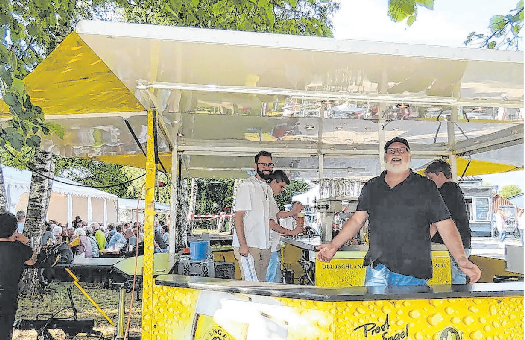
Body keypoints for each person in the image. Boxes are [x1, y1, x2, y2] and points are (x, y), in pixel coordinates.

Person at [316, 137, 481, 286]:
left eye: (402, 150)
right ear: (385, 157)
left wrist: (461, 259)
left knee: (406, 318)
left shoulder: (425, 186)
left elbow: (444, 223)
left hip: (412, 271)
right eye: (391, 151)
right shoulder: (372, 186)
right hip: (377, 269)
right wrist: (333, 245)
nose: (396, 153)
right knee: (375, 317)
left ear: (409, 157)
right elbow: (357, 220)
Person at [425, 159, 472, 284]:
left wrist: (423, 240)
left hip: (451, 245)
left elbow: (437, 220)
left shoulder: (445, 190)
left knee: (449, 282)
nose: (429, 182)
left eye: (431, 178)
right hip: (463, 243)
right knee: (458, 280)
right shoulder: (455, 190)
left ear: (440, 174)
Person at [233, 150, 274, 281]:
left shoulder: (267, 188)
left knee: (261, 284)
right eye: (263, 165)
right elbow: (238, 216)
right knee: (251, 285)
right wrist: (243, 245)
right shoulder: (247, 185)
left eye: (270, 165)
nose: (267, 168)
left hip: (264, 245)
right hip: (250, 245)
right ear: (255, 166)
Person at [0, 212, 37, 339]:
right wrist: (27, 241)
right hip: (7, 294)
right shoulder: (19, 248)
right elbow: (33, 260)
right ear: (14, 230)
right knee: (5, 329)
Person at [266, 170, 304, 282]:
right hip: (267, 245)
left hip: (272, 245)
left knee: (274, 277)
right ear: (274, 182)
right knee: (272, 280)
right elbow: (271, 223)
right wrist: (291, 232)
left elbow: (277, 214)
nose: (282, 190)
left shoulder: (270, 197)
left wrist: (292, 213)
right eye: (281, 186)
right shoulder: (265, 197)